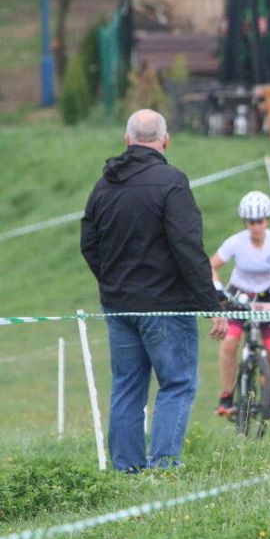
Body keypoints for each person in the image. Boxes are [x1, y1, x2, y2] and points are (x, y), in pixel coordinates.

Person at [80, 109, 228, 473]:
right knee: (177, 383)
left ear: (126, 140)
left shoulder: (104, 185)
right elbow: (188, 249)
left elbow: (89, 244)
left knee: (127, 387)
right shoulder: (172, 182)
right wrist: (212, 304)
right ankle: (164, 466)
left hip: (119, 307)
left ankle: (127, 470)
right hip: (165, 307)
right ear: (165, 140)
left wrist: (113, 281)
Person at [210, 191, 270, 419]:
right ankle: (226, 395)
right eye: (251, 222)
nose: (256, 227)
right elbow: (210, 264)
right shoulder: (235, 242)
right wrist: (217, 288)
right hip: (238, 297)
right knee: (230, 342)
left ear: (268, 220)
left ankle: (268, 392)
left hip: (267, 299)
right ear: (245, 222)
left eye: (260, 221)